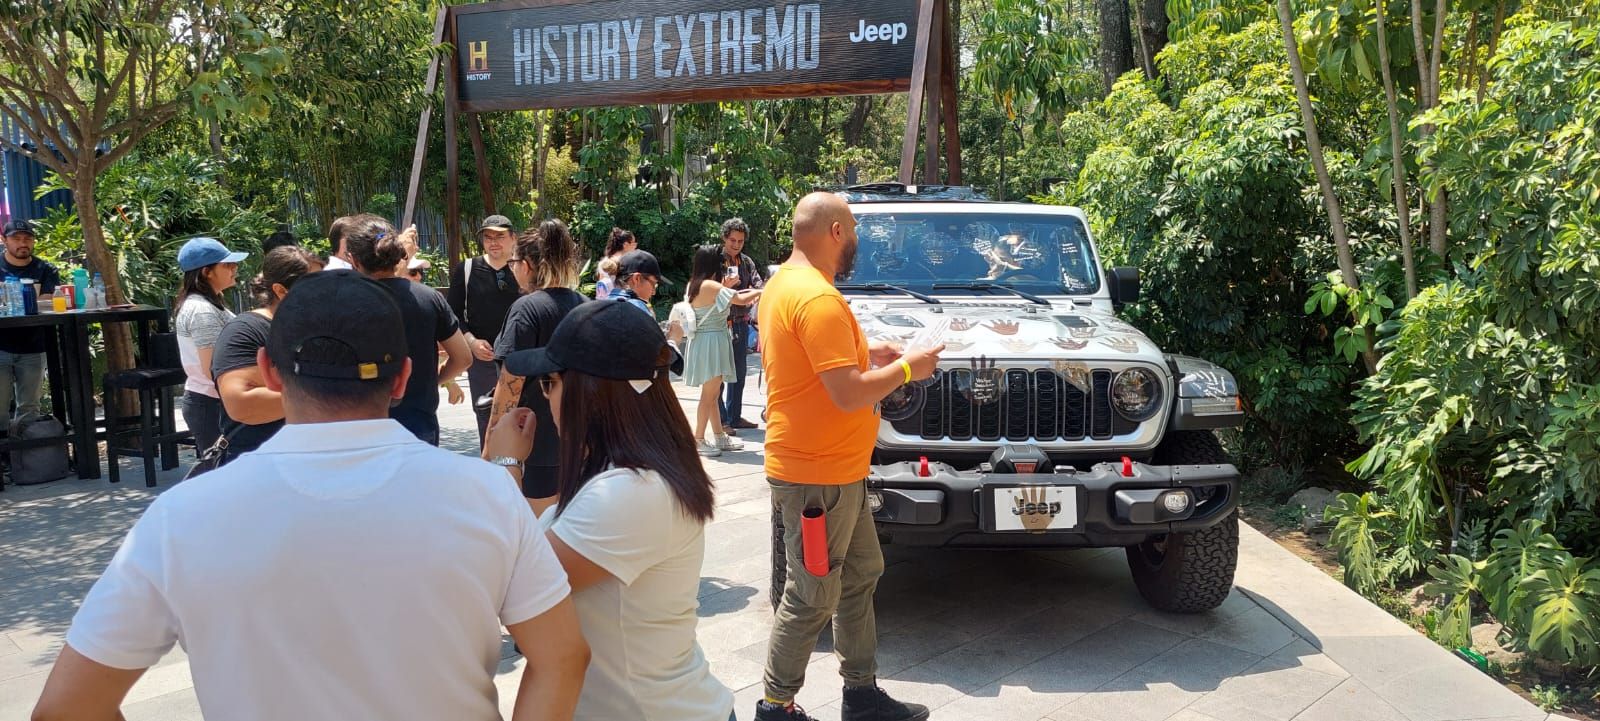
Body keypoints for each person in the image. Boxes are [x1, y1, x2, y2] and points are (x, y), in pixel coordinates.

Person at [31, 269, 589, 721]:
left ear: (269, 372)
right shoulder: (485, 495)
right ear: (402, 378)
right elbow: (563, 657)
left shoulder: (182, 516)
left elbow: (65, 708)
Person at [754, 193, 944, 721]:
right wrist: (906, 369)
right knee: (812, 594)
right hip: (817, 475)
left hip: (837, 471)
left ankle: (861, 694)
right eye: (854, 228)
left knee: (861, 573)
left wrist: (868, 354)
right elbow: (847, 393)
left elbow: (819, 366)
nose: (857, 238)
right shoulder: (819, 297)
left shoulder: (784, 285)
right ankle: (774, 706)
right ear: (836, 231)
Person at [503, 300, 733, 721]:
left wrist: (505, 465)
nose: (546, 396)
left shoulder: (631, 492)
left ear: (590, 392)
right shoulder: (629, 473)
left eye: (550, 382)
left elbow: (510, 585)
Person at [344, 214, 472, 445]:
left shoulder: (344, 302)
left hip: (360, 426)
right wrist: (435, 380)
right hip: (418, 422)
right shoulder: (428, 298)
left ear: (352, 259)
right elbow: (463, 358)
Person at [489, 220, 586, 509]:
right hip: (579, 442)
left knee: (535, 528)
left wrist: (491, 446)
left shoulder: (526, 309)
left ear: (527, 265)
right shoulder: (584, 304)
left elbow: (510, 384)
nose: (512, 269)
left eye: (513, 262)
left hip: (534, 442)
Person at [211, 246, 323, 465]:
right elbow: (241, 405)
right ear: (281, 290)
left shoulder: (319, 327)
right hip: (256, 461)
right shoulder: (245, 331)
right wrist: (331, 392)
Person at [448, 214, 524, 441]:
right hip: (482, 359)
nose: (494, 242)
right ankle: (489, 460)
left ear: (513, 238)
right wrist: (471, 342)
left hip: (519, 358)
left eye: (500, 236)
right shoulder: (467, 269)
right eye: (488, 237)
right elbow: (452, 313)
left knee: (521, 418)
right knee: (486, 416)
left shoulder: (525, 268)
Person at [682, 244, 760, 457]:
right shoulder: (710, 285)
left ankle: (719, 436)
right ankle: (698, 438)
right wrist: (762, 291)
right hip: (712, 342)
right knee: (709, 395)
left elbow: (724, 297)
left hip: (706, 341)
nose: (724, 264)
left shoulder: (695, 284)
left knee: (713, 393)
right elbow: (740, 299)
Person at [174, 237, 247, 458]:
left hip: (214, 401)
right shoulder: (202, 311)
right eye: (227, 265)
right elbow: (212, 368)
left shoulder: (209, 303)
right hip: (211, 404)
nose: (234, 268)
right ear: (206, 272)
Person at [0, 220, 60, 422]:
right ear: (4, 240)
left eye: (27, 238)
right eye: (16, 238)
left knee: (30, 407)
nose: (22, 243)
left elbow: (49, 302)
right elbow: (40, 301)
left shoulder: (46, 269)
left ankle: (27, 442)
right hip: (1, 346)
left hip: (34, 346)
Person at [718, 218, 765, 435]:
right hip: (720, 324)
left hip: (741, 323)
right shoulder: (715, 260)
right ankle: (721, 420)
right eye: (733, 240)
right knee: (718, 375)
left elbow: (758, 284)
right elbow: (708, 290)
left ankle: (734, 416)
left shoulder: (746, 262)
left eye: (740, 241)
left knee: (739, 372)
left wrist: (755, 293)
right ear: (724, 238)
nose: (736, 245)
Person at [612, 249, 663, 315]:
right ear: (636, 279)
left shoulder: (602, 303)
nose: (653, 292)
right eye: (653, 284)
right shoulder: (638, 309)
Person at [591, 227, 636, 300]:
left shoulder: (604, 262)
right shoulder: (628, 262)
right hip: (622, 303)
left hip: (604, 303)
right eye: (633, 243)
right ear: (625, 244)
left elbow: (600, 289)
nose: (635, 246)